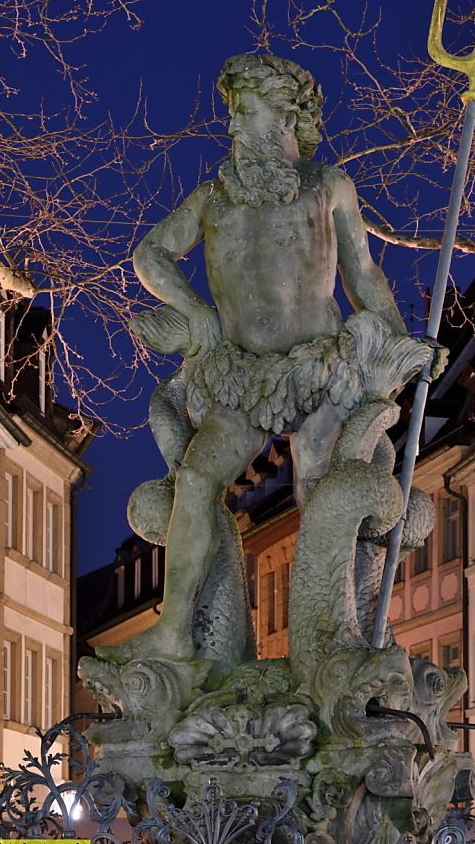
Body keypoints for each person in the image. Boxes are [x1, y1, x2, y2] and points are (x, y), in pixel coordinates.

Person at [100, 54, 442, 663]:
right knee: (198, 481)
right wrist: (195, 311)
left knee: (320, 487)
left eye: (245, 114)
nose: (232, 129)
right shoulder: (214, 197)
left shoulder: (328, 187)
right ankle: (176, 630)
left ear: (287, 116)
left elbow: (363, 274)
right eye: (232, 115)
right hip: (239, 376)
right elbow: (150, 255)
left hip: (320, 370)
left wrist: (401, 343)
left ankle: (330, 641)